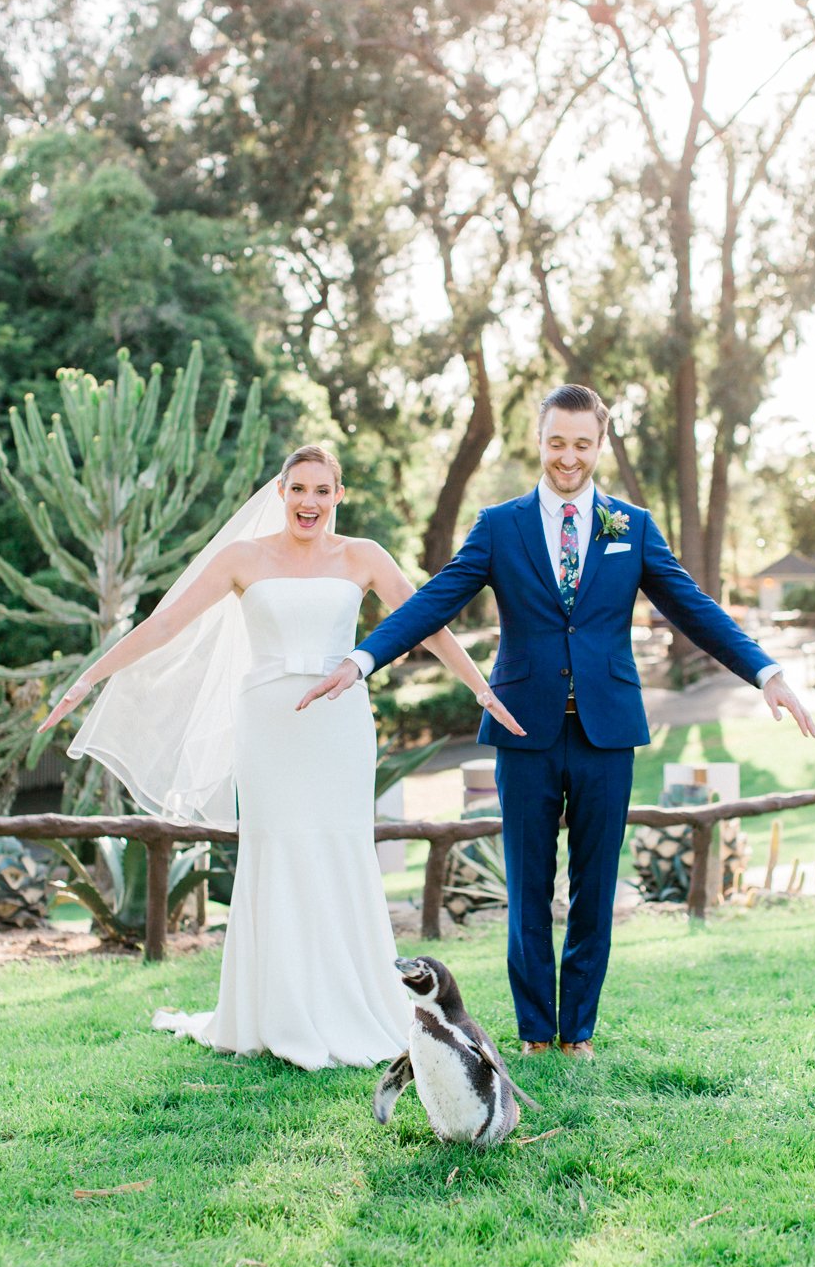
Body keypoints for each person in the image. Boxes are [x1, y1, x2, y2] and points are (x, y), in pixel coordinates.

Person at [299, 387, 815, 1061]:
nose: (567, 457)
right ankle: (537, 1034)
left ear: (599, 445)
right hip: (524, 731)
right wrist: (365, 657)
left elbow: (693, 606)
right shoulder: (499, 526)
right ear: (538, 442)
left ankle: (579, 1034)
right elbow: (433, 603)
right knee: (529, 890)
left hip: (608, 733)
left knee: (596, 890)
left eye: (581, 443)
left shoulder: (630, 526)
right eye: (556, 442)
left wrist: (766, 672)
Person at [38, 444, 523, 1070]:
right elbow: (163, 626)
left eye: (323, 491)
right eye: (299, 489)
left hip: (339, 724)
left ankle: (352, 1001)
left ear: (338, 496)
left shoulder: (363, 556)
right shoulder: (242, 558)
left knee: (339, 848)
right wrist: (86, 679)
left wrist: (481, 688)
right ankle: (275, 1009)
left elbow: (428, 622)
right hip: (268, 724)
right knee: (278, 850)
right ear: (282, 493)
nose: (310, 503)